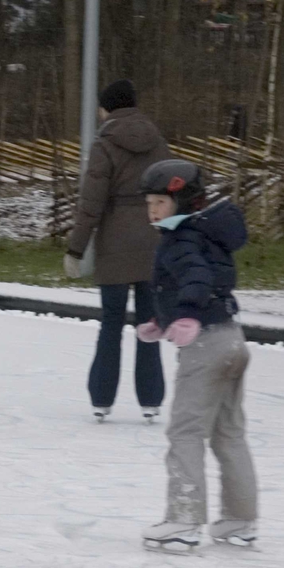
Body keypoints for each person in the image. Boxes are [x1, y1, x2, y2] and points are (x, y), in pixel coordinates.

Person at [133, 159, 258, 553]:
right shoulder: (205, 234)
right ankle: (240, 520)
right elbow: (211, 278)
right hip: (232, 339)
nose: (153, 210)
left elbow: (196, 279)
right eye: (149, 202)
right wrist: (162, 319)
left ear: (183, 203)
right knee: (229, 434)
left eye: (160, 202)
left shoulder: (182, 238)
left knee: (185, 432)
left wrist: (185, 315)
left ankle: (184, 520)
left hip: (205, 345)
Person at [64, 79, 171, 423]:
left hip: (115, 244)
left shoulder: (105, 143)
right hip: (153, 241)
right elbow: (172, 192)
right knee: (149, 322)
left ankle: (102, 399)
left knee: (111, 322)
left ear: (107, 107)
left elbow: (91, 204)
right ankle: (151, 399)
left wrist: (76, 249)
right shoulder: (157, 140)